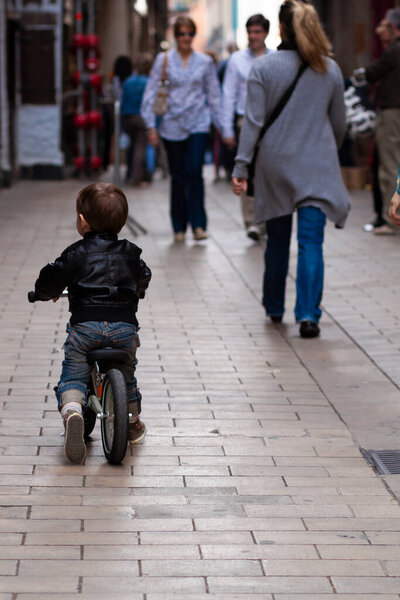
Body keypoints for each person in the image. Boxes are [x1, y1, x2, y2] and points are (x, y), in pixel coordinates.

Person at [232, 0, 350, 339]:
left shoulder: (264, 68)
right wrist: (325, 147)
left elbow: (252, 124)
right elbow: (339, 124)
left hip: (274, 165)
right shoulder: (329, 68)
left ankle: (273, 307)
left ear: (280, 29)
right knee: (311, 241)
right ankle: (309, 315)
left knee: (277, 240)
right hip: (317, 165)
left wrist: (241, 166)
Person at [30, 183, 151, 463]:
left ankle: (72, 411)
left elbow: (53, 276)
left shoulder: (76, 253)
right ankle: (131, 423)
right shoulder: (131, 252)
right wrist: (136, 290)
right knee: (127, 375)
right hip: (123, 329)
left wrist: (44, 294)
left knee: (73, 374)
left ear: (82, 221)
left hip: (85, 328)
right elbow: (144, 275)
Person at [141, 16, 222, 243]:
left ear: (194, 36)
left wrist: (223, 127)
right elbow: (150, 92)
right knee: (178, 177)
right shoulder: (163, 59)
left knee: (195, 172)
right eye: (181, 34)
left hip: (198, 122)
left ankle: (198, 225)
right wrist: (150, 127)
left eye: (189, 34)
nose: (185, 38)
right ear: (175, 36)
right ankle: (178, 226)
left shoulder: (205, 62)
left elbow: (214, 95)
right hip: (171, 124)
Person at [222, 14, 272, 241]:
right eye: (250, 32)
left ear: (266, 33)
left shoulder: (276, 59)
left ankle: (269, 219)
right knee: (247, 171)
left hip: (272, 124)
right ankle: (252, 222)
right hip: (245, 122)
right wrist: (227, 129)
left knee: (270, 173)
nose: (253, 36)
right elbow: (228, 95)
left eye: (257, 32)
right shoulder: (237, 61)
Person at [353, 8, 400, 234]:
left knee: (390, 166)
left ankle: (393, 219)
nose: (378, 29)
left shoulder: (394, 51)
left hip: (393, 113)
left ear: (394, 28)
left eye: (383, 25)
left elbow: (371, 72)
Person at [121, 53, 153, 186]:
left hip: (128, 117)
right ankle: (136, 177)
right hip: (141, 118)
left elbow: (123, 101)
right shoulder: (148, 82)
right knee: (141, 148)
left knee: (133, 146)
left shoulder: (128, 81)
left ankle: (138, 174)